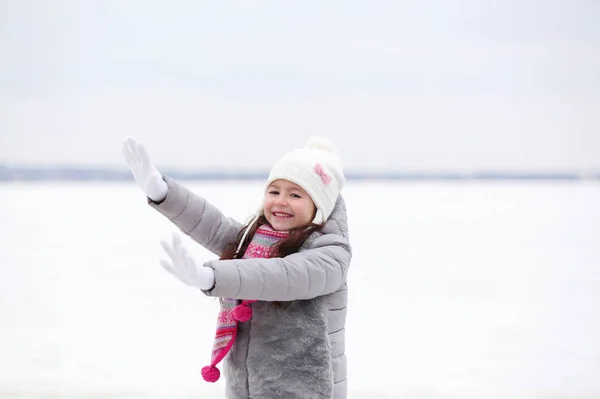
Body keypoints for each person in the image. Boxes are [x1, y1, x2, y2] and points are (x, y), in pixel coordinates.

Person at [121, 136, 352, 399]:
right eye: (274, 191)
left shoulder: (330, 255)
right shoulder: (256, 240)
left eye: (295, 194)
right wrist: (162, 193)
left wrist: (212, 277)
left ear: (319, 206)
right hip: (247, 387)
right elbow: (213, 225)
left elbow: (280, 276)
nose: (280, 201)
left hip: (306, 390)